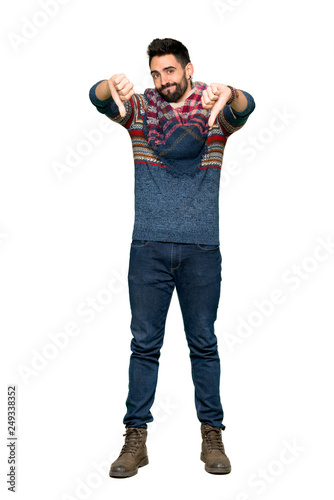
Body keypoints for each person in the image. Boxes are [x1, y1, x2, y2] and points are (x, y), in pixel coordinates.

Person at [89, 37, 255, 478]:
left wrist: (232, 91)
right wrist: (109, 84)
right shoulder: (141, 109)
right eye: (156, 73)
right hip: (148, 248)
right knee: (144, 346)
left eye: (170, 71)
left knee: (204, 344)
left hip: (202, 248)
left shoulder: (214, 111)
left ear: (188, 69)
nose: (163, 80)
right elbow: (97, 99)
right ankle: (135, 439)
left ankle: (212, 435)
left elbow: (246, 106)